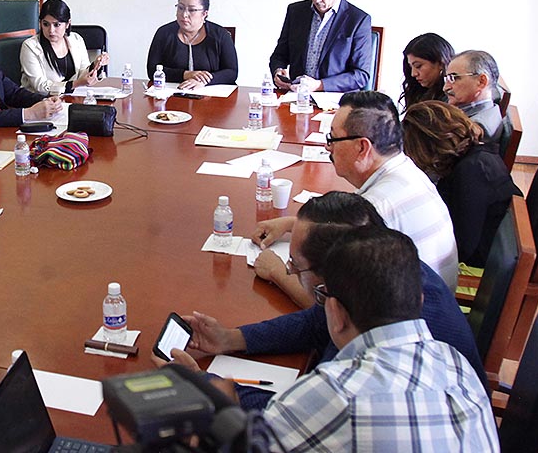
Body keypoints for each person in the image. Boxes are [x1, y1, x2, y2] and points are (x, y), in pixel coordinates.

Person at [170, 226, 498, 451]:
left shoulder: (341, 393)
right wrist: (231, 339)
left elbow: (250, 441)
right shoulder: (455, 363)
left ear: (336, 312)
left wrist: (201, 385)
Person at [179, 192, 484, 411]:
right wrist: (231, 339)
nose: (289, 271)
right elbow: (315, 322)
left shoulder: (351, 383)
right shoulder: (397, 271)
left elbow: (291, 418)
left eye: (296, 266)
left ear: (331, 278)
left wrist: (203, 385)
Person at [253, 91, 459, 289]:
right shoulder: (407, 171)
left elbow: (332, 302)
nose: (327, 147)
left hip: (414, 311)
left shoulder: (374, 209)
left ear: (362, 147)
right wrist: (294, 224)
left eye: (333, 138)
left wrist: (276, 272)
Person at [402, 100, 520, 267]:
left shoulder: (471, 172)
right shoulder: (477, 155)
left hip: (478, 266)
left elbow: (462, 247)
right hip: (482, 252)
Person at [269, 0, 372, 92]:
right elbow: (279, 55)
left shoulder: (358, 20)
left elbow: (361, 75)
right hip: (297, 95)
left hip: (336, 98)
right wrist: (278, 70)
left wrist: (319, 85)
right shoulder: (296, 12)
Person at [146, 0, 238, 88]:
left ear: (204, 14)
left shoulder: (220, 35)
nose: (184, 14)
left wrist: (204, 81)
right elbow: (152, 70)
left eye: (192, 10)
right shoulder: (164, 33)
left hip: (211, 93)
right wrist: (186, 74)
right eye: (180, 8)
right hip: (173, 92)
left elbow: (231, 72)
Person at [20, 0, 109, 94]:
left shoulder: (76, 39)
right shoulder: (30, 46)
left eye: (57, 25)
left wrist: (95, 65)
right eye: (45, 24)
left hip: (70, 97)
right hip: (40, 99)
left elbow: (82, 72)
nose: (51, 30)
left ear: (67, 24)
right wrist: (75, 84)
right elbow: (40, 86)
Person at [443, 49, 504, 149]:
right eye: (447, 79)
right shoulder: (491, 109)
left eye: (454, 78)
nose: (446, 87)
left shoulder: (476, 128)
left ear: (481, 81)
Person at [399, 32, 455, 111]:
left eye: (418, 66)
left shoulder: (453, 99)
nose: (413, 74)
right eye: (410, 67)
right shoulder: (419, 93)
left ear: (440, 63)